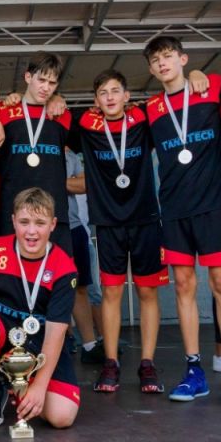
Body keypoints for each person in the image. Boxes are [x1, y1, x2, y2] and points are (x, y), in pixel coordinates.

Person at [144, 36, 221, 408]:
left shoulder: (213, 88)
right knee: (183, 286)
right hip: (175, 209)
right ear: (151, 69)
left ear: (183, 58)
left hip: (215, 207)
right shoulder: (151, 108)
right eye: (156, 60)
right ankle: (194, 370)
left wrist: (199, 74)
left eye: (168, 56)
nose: (162, 63)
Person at [76, 70, 169, 394]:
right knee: (111, 293)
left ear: (127, 96)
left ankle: (147, 363)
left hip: (146, 219)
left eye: (116, 90)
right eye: (103, 93)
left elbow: (173, 103)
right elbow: (54, 111)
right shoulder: (87, 124)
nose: (110, 97)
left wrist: (197, 73)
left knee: (147, 292)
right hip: (108, 222)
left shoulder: (143, 119)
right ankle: (111, 362)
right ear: (96, 100)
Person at [0, 187, 80, 429]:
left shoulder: (64, 268)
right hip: (2, 337)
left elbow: (56, 333)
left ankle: (20, 383)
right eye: (24, 222)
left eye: (40, 223)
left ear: (53, 225)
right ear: (13, 221)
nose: (31, 231)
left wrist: (40, 386)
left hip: (41, 345)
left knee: (62, 417)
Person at [0, 53, 73, 254]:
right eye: (41, 80)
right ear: (28, 77)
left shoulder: (62, 115)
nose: (46, 88)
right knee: (13, 272)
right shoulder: (3, 112)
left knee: (57, 272)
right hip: (13, 213)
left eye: (52, 83)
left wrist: (59, 99)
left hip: (53, 214)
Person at [64, 148, 104, 364]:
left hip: (74, 227)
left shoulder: (70, 155)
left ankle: (89, 345)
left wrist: (53, 181)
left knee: (80, 287)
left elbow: (85, 184)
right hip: (41, 228)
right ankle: (62, 339)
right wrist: (69, 182)